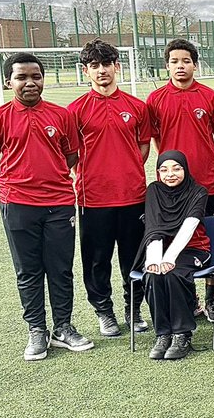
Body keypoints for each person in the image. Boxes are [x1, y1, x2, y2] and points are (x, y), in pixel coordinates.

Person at [0, 52, 93, 360]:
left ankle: (64, 328)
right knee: (28, 270)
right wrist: (12, 183)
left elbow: (72, 155)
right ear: (9, 81)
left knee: (60, 268)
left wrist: (50, 178)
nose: (30, 83)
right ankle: (36, 331)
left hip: (59, 204)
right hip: (17, 205)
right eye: (22, 77)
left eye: (36, 77)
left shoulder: (61, 116)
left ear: (43, 79)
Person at [69, 39, 151, 337]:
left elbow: (143, 147)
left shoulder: (137, 107)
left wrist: (125, 170)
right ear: (85, 71)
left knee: (134, 257)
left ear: (117, 66)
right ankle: (104, 311)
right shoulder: (75, 110)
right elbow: (71, 153)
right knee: (97, 259)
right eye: (94, 66)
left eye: (106, 64)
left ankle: (134, 309)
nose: (101, 71)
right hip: (93, 199)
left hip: (133, 196)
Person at [146, 38, 214, 323]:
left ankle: (212, 300)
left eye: (186, 61)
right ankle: (190, 299)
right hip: (172, 188)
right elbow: (156, 139)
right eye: (174, 61)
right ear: (166, 65)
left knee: (209, 241)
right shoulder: (155, 100)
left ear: (195, 64)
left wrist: (206, 161)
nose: (180, 66)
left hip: (208, 184)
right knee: (176, 239)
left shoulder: (210, 97)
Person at [133, 151, 209, 360]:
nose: (170, 174)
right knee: (153, 276)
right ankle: (163, 334)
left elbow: (189, 226)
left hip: (194, 249)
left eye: (176, 168)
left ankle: (182, 333)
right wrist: (154, 260)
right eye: (164, 170)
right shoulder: (154, 191)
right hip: (160, 250)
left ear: (185, 169)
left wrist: (170, 258)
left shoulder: (198, 191)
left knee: (174, 274)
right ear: (158, 173)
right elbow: (154, 227)